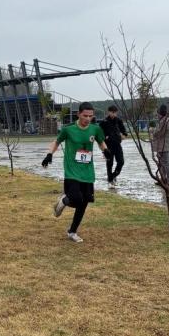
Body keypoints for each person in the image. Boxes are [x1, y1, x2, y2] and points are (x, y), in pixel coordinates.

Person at [42, 102, 109, 243]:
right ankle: (64, 200)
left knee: (84, 202)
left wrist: (106, 151)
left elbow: (101, 142)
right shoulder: (68, 129)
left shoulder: (95, 129)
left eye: (90, 116)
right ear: (78, 114)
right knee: (77, 199)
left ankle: (72, 231)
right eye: (85, 115)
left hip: (87, 172)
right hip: (71, 171)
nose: (87, 119)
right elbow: (56, 142)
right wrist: (49, 155)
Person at [99, 104, 128, 186]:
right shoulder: (104, 122)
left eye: (115, 113)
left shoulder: (119, 120)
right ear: (109, 112)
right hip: (108, 146)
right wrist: (105, 139)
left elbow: (124, 131)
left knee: (121, 162)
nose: (114, 114)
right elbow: (99, 135)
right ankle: (110, 179)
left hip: (117, 145)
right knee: (109, 163)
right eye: (112, 112)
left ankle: (114, 175)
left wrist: (123, 136)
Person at [149, 104, 169, 187]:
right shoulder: (166, 120)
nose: (157, 116)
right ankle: (163, 180)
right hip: (163, 145)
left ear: (160, 113)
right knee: (162, 163)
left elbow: (159, 133)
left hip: (164, 146)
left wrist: (152, 130)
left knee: (166, 164)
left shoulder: (165, 122)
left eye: (158, 114)